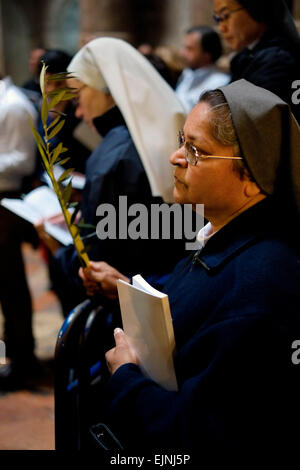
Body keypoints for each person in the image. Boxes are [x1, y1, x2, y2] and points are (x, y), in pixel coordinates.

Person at [81, 80, 300, 458]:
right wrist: (125, 287)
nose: (175, 156)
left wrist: (126, 377)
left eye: (195, 150)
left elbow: (197, 433)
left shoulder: (260, 287)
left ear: (252, 177)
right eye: (182, 139)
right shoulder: (224, 237)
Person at [36, 38, 186, 316]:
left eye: (78, 97)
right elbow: (178, 229)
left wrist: (61, 247)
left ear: (109, 90)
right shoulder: (170, 133)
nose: (78, 111)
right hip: (177, 290)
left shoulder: (112, 155)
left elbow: (98, 258)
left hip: (126, 306)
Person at [0, 75, 40, 389]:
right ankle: (13, 352)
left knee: (10, 282)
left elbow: (24, 161)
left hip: (6, 200)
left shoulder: (14, 105)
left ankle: (23, 357)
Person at [213, 0, 300, 122]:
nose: (221, 28)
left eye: (225, 16)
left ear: (255, 10)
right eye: (217, 19)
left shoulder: (278, 59)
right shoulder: (245, 56)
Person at [175, 25, 230, 112]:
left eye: (189, 49)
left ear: (207, 54)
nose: (182, 53)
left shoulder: (220, 82)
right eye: (184, 47)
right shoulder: (187, 73)